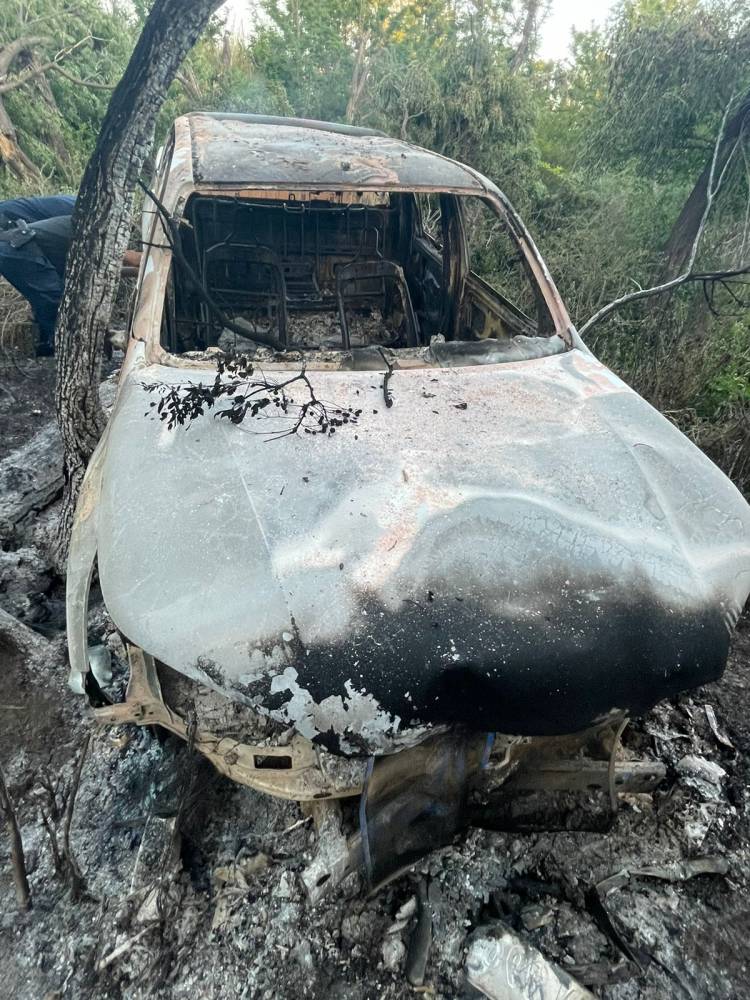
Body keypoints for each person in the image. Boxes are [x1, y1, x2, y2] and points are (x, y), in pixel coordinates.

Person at [0, 196, 141, 356]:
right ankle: (77, 353)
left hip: (27, 246)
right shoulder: (89, 220)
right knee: (62, 308)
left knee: (56, 308)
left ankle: (69, 347)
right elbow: (117, 255)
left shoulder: (78, 220)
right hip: (19, 247)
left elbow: (100, 268)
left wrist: (137, 272)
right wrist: (139, 261)